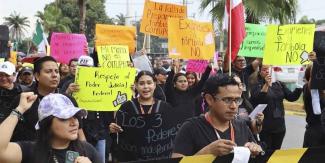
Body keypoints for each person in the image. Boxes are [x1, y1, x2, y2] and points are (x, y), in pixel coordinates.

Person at [172, 74, 262, 157]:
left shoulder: (241, 126)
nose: (234, 106)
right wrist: (206, 153)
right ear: (210, 99)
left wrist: (255, 150)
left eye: (237, 100)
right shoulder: (190, 127)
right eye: (227, 100)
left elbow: (255, 151)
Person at [0, 92, 101, 163]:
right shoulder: (30, 151)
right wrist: (19, 110)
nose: (74, 122)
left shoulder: (87, 150)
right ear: (47, 124)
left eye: (75, 116)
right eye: (64, 118)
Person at [109, 71, 174, 161]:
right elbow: (116, 133)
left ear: (155, 85)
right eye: (141, 83)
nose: (146, 87)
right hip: (131, 158)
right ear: (135, 85)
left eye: (149, 83)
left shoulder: (166, 107)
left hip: (159, 157)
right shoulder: (126, 107)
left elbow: (172, 134)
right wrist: (113, 129)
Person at [250, 64, 303, 150]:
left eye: (269, 69)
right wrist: (266, 85)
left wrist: (299, 86)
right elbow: (259, 99)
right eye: (264, 69)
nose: (267, 71)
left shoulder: (278, 84)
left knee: (276, 153)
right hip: (265, 128)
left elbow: (291, 97)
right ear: (260, 72)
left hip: (280, 127)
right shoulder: (256, 85)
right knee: (266, 153)